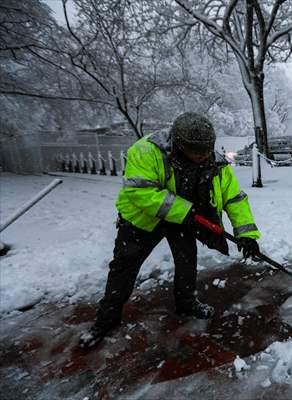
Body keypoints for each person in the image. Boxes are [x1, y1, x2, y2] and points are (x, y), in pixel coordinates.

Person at [79, 112, 260, 349]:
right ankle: (105, 319)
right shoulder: (145, 151)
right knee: (124, 267)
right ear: (178, 144)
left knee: (187, 261)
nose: (202, 156)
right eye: (196, 152)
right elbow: (139, 191)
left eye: (206, 150)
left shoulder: (215, 163)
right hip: (142, 220)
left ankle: (186, 302)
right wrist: (184, 210)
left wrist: (246, 234)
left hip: (183, 219)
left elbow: (234, 198)